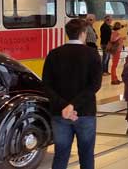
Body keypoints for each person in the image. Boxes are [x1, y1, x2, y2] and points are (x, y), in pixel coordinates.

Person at [42, 19, 101, 169]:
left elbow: (47, 86)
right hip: (85, 112)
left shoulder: (54, 54)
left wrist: (65, 106)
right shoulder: (92, 54)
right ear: (83, 33)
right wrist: (73, 105)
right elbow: (94, 85)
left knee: (61, 154)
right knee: (86, 155)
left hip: (59, 113)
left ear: (67, 34)